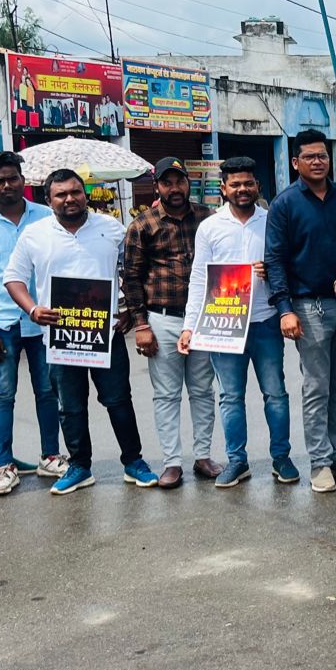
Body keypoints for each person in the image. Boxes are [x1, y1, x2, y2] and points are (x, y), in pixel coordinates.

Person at [5, 169, 157, 494]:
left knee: (118, 400)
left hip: (105, 333)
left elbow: (134, 270)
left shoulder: (111, 229)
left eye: (75, 192)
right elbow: (13, 278)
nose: (69, 199)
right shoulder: (34, 234)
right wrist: (33, 309)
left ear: (85, 194)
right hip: (61, 337)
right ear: (49, 200)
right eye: (61, 194)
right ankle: (79, 466)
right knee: (70, 406)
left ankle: (134, 461)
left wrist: (128, 309)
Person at [178, 158, 297, 488]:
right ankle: (237, 461)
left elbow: (289, 265)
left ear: (257, 186)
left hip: (265, 321)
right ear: (223, 188)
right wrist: (190, 326)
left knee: (275, 394)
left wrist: (271, 272)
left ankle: (281, 457)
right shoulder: (210, 227)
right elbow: (200, 279)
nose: (242, 189)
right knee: (230, 397)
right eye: (235, 184)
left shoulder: (272, 221)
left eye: (248, 183)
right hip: (224, 325)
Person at [265, 129, 336, 493]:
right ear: (296, 162)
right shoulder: (285, 204)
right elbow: (274, 260)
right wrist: (284, 309)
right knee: (316, 386)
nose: (318, 162)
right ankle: (319, 461)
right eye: (310, 157)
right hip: (309, 307)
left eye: (323, 155)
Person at [0, 151, 65, 497]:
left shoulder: (46, 216)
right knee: (2, 395)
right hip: (3, 322)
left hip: (45, 320)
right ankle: (3, 466)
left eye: (12, 179)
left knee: (48, 391)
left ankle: (50, 456)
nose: (7, 186)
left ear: (23, 180)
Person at [123, 156, 219, 490]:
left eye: (180, 181)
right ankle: (172, 463)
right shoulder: (142, 225)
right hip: (162, 319)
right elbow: (131, 278)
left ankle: (203, 456)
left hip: (205, 318)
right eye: (167, 183)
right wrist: (141, 325)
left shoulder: (208, 218)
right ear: (157, 186)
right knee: (166, 395)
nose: (174, 188)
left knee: (203, 391)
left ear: (188, 183)